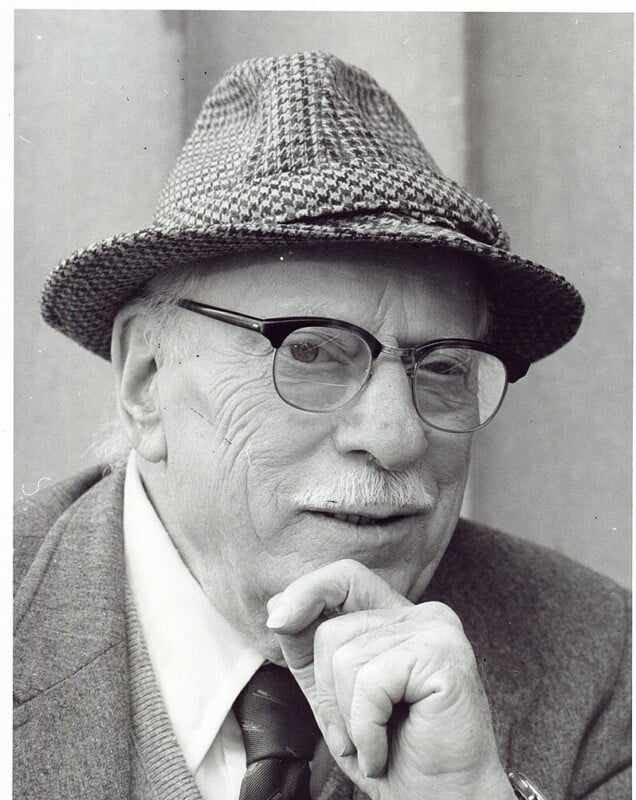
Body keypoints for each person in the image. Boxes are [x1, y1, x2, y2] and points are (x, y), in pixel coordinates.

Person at [14, 51, 629, 800]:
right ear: (146, 379)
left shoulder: (600, 656)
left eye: (443, 367)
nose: (398, 436)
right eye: (311, 352)